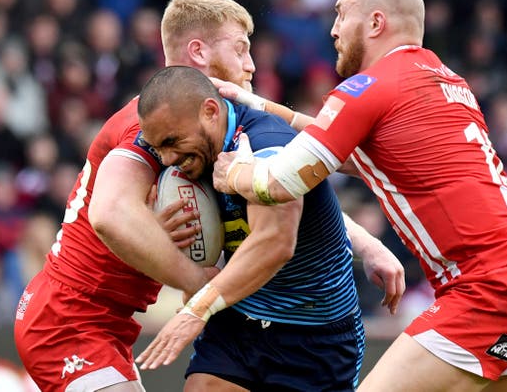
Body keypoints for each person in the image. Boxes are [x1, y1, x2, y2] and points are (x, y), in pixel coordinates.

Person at [14, 0, 403, 392]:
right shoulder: (153, 122)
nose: (251, 64)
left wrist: (365, 243)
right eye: (240, 50)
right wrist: (201, 284)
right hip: (70, 319)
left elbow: (291, 187)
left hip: (112, 321)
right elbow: (110, 213)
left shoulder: (222, 128)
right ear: (198, 52)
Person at [211, 0, 507, 392]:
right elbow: (358, 155)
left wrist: (232, 173)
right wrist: (260, 104)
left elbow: (280, 182)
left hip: (489, 290)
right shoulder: (443, 77)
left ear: (376, 23)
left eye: (342, 15)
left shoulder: (368, 88)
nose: (334, 29)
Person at [133, 65, 388, 391]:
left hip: (311, 333)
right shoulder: (192, 146)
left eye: (172, 142)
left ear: (210, 112)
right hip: (240, 318)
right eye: (158, 148)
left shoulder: (267, 144)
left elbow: (275, 244)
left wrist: (196, 310)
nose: (167, 158)